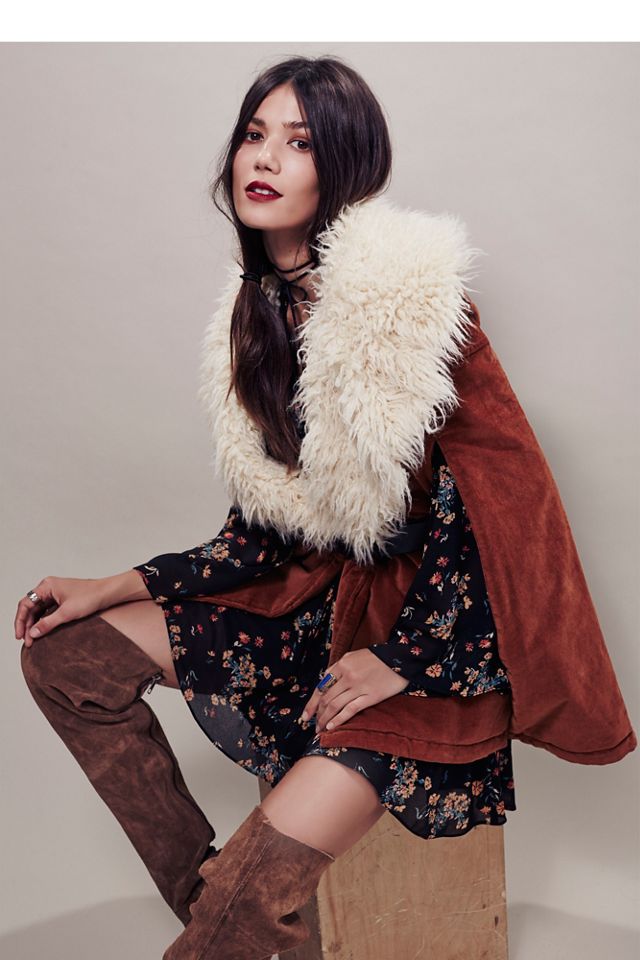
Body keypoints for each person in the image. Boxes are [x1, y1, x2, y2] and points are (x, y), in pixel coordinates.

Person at [16, 55, 636, 960]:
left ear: (343, 164)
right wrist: (112, 585)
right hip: (315, 608)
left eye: (299, 142)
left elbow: (498, 506)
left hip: (435, 640)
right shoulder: (253, 315)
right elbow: (264, 532)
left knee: (239, 914)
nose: (264, 158)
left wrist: (400, 660)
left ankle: (231, 921)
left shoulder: (410, 303)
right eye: (253, 134)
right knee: (66, 657)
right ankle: (222, 908)